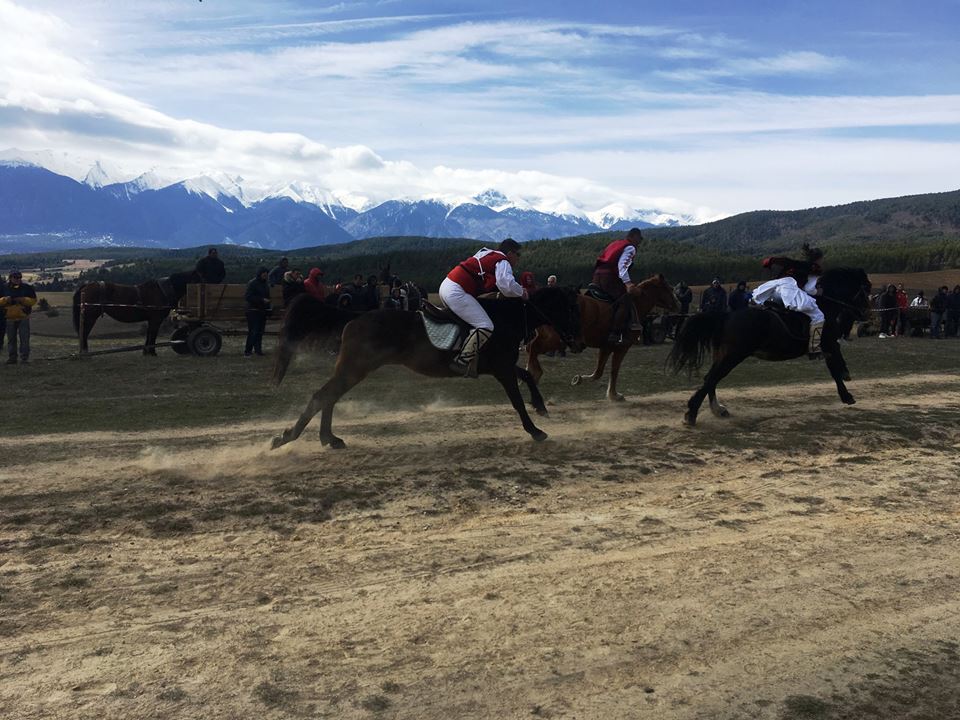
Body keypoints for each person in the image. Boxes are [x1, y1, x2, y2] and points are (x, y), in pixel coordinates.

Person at [440, 237, 526, 377]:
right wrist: (522, 292)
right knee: (485, 326)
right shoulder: (503, 261)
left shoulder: (487, 254)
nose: (518, 258)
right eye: (518, 254)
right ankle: (462, 361)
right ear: (510, 253)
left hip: (447, 285)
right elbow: (507, 285)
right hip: (457, 290)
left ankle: (472, 360)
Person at [751, 246, 824, 356]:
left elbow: (773, 262)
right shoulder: (813, 267)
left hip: (772, 290)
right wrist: (818, 292)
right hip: (788, 291)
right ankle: (814, 348)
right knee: (818, 316)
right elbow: (809, 289)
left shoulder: (792, 263)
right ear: (818, 259)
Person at [592, 227, 643, 344]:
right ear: (634, 236)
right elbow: (622, 266)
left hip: (597, 275)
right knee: (625, 300)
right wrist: (628, 283)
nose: (640, 242)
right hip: (609, 277)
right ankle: (615, 333)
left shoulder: (616, 243)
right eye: (639, 239)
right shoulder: (630, 247)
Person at [1, 271, 37, 364]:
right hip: (9, 317)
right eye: (16, 278)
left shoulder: (27, 288)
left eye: (19, 278)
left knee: (24, 339)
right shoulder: (3, 288)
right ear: (10, 278)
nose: (18, 280)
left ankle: (24, 358)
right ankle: (12, 358)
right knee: (11, 340)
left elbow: (33, 300)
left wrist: (23, 300)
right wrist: (5, 299)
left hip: (23, 317)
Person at [243, 267, 271, 356]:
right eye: (264, 273)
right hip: (252, 310)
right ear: (260, 273)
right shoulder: (253, 283)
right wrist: (261, 300)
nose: (265, 275)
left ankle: (258, 350)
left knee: (260, 332)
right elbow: (248, 297)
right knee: (253, 331)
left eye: (266, 274)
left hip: (262, 311)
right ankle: (248, 351)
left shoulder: (266, 284)